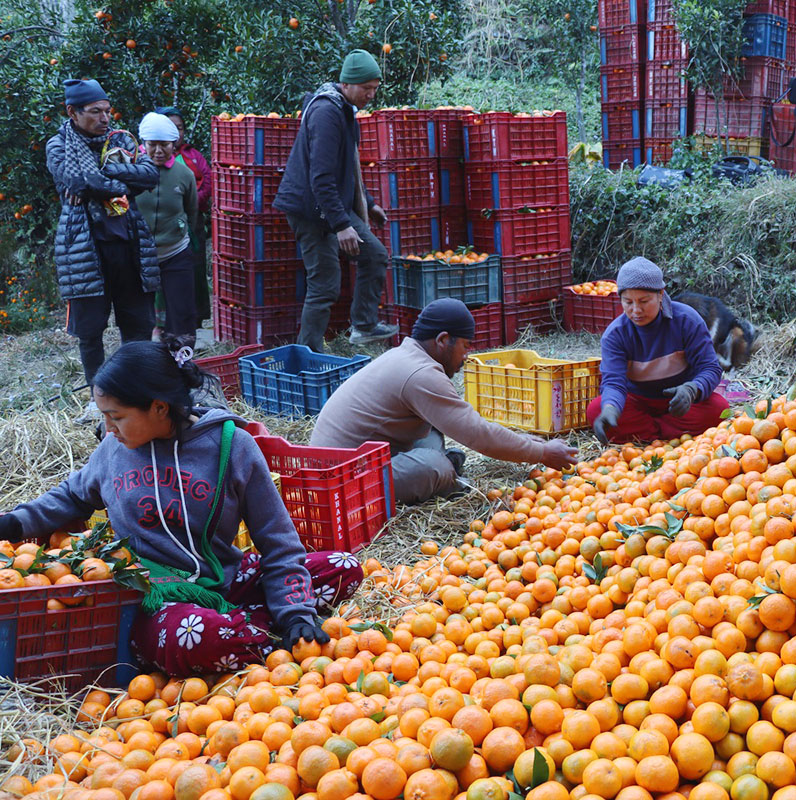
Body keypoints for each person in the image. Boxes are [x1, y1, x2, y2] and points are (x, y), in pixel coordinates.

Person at [0, 342, 362, 675]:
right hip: (154, 596)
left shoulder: (231, 446)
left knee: (344, 567)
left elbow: (277, 539)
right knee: (198, 636)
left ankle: (246, 623)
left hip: (225, 576)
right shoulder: (113, 452)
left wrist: (295, 613)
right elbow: (69, 497)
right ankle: (246, 632)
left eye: (117, 416)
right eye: (104, 416)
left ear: (158, 406)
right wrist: (13, 524)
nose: (108, 428)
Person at [310, 299, 579, 504]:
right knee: (436, 467)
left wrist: (533, 443)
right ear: (442, 340)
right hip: (343, 478)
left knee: (435, 426)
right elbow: (477, 434)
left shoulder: (409, 356)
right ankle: (443, 469)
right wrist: (542, 453)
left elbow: (466, 423)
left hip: (374, 453)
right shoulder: (420, 374)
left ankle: (440, 466)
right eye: (465, 346)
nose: (466, 356)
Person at [46, 78, 160, 420]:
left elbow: (150, 175)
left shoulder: (121, 140)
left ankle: (136, 391)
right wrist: (123, 183)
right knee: (90, 331)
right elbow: (77, 181)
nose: (105, 118)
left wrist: (105, 174)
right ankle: (100, 401)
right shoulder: (59, 144)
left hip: (129, 245)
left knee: (138, 325)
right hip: (85, 250)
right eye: (95, 112)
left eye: (107, 111)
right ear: (73, 112)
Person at [274, 50, 396, 351]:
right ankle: (308, 353)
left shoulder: (345, 110)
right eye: (366, 88)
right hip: (310, 207)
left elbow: (346, 169)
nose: (370, 95)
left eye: (375, 89)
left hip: (330, 203)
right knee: (325, 284)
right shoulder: (326, 112)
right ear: (348, 83)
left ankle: (364, 326)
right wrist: (342, 224)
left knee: (375, 255)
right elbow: (321, 177)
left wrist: (367, 202)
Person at [588, 257, 729, 444]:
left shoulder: (686, 320)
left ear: (661, 294)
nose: (636, 310)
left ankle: (648, 434)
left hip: (681, 401)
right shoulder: (616, 335)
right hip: (638, 401)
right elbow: (614, 383)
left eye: (644, 301)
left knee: (719, 408)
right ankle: (667, 433)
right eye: (628, 302)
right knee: (596, 410)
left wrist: (691, 390)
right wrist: (611, 409)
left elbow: (710, 368)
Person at [133, 112, 199, 348]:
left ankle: (182, 360)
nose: (158, 151)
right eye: (152, 145)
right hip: (139, 255)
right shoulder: (131, 171)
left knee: (182, 312)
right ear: (144, 144)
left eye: (164, 145)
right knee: (139, 314)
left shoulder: (184, 175)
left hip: (175, 252)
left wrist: (178, 232)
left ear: (174, 145)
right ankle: (143, 360)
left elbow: (191, 211)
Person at [159, 106, 212, 328]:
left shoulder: (193, 156)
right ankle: (163, 320)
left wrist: (194, 201)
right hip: (166, 227)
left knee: (194, 269)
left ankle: (196, 317)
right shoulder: (151, 158)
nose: (176, 133)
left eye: (179, 128)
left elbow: (208, 181)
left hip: (193, 221)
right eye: (171, 128)